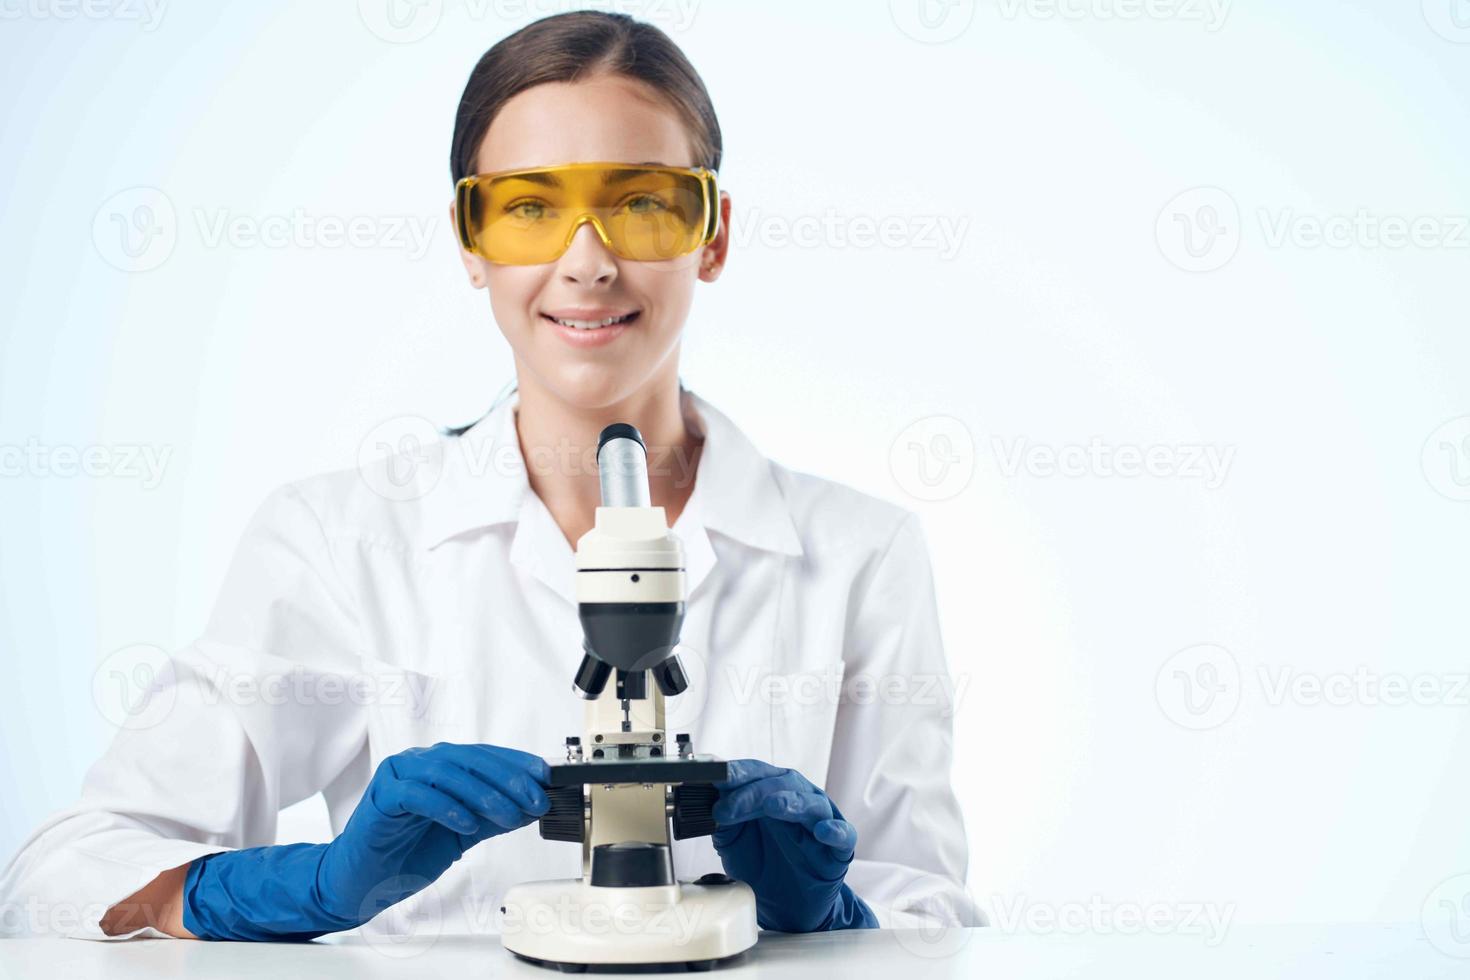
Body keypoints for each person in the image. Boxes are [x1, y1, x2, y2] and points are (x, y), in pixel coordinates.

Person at [0, 11, 976, 941]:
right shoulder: (341, 542)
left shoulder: (860, 556)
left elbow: (931, 917)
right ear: (472, 242)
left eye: (640, 203)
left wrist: (835, 911)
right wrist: (300, 885)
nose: (586, 262)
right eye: (528, 209)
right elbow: (64, 872)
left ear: (711, 233)